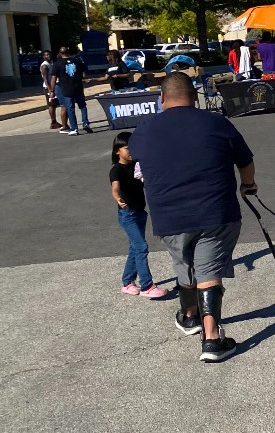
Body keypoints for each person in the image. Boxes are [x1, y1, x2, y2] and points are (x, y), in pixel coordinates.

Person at [130, 72, 255, 364]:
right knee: (208, 268)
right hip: (216, 212)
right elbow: (245, 161)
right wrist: (248, 185)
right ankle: (212, 339)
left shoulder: (145, 129)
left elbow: (135, 157)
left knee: (185, 267)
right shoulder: (216, 123)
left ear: (161, 99)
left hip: (169, 216)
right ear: (195, 98)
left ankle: (189, 316)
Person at [109, 131, 167, 299]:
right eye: (127, 148)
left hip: (140, 212)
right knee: (141, 247)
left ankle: (127, 282)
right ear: (117, 151)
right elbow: (115, 188)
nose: (131, 151)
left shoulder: (137, 165)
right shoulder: (116, 170)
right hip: (127, 215)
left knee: (135, 248)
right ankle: (147, 286)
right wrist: (118, 199)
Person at [53, 45, 92, 134]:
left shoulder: (57, 64)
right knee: (82, 106)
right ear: (68, 52)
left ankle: (74, 128)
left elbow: (53, 78)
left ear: (60, 53)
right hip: (78, 87)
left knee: (70, 108)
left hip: (67, 88)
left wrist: (52, 90)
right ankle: (85, 123)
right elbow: (83, 74)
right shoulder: (77, 61)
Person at [39, 50, 60, 130]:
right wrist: (50, 89)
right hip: (48, 88)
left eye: (49, 54)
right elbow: (45, 79)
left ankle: (55, 122)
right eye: (46, 55)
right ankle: (53, 122)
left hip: (53, 86)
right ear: (43, 57)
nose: (48, 56)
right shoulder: (44, 66)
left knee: (54, 104)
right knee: (51, 104)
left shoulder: (50, 63)